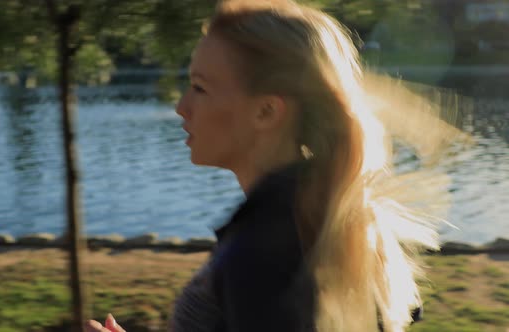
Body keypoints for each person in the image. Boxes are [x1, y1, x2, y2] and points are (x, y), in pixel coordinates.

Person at [86, 0, 464, 331]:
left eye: (200, 88)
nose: (181, 107)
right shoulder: (330, 220)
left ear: (266, 111)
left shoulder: (261, 254)